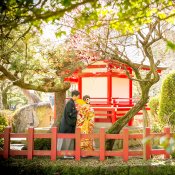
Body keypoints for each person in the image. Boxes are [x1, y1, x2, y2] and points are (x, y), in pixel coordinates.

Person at [57, 90, 80, 158]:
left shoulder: (71, 103)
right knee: (67, 139)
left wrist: (75, 110)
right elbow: (69, 114)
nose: (78, 97)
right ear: (74, 96)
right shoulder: (70, 103)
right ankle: (67, 154)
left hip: (68, 124)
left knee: (68, 139)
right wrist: (77, 110)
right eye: (78, 96)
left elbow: (70, 113)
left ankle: (68, 154)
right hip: (68, 125)